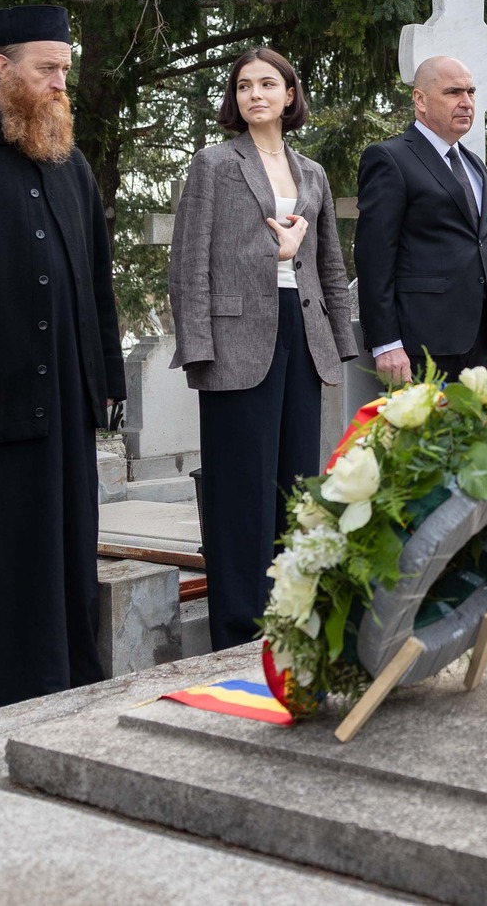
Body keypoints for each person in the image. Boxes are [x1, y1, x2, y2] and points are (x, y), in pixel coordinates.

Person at [0, 5, 125, 711]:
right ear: (1, 67)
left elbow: (97, 277)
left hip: (67, 393)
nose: (59, 84)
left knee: (70, 543)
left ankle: (72, 676)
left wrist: (108, 375)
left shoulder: (70, 160)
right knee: (3, 549)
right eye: (46, 70)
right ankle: (9, 688)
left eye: (65, 71)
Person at [168, 49, 357, 650]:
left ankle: (289, 618)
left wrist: (341, 341)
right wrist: (198, 345)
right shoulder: (214, 165)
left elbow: (330, 263)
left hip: (301, 334)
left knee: (294, 485)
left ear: (289, 93)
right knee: (239, 490)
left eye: (267, 84)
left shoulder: (313, 173)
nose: (255, 94)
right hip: (234, 339)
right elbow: (188, 260)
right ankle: (237, 630)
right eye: (244, 85)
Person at [355, 56, 487, 383]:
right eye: (454, 92)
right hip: (418, 346)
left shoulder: (475, 165)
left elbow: (485, 252)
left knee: (472, 435)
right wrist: (385, 343)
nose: (466, 102)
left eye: (471, 92)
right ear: (420, 100)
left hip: (477, 345)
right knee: (422, 436)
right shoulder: (390, 159)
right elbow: (374, 258)